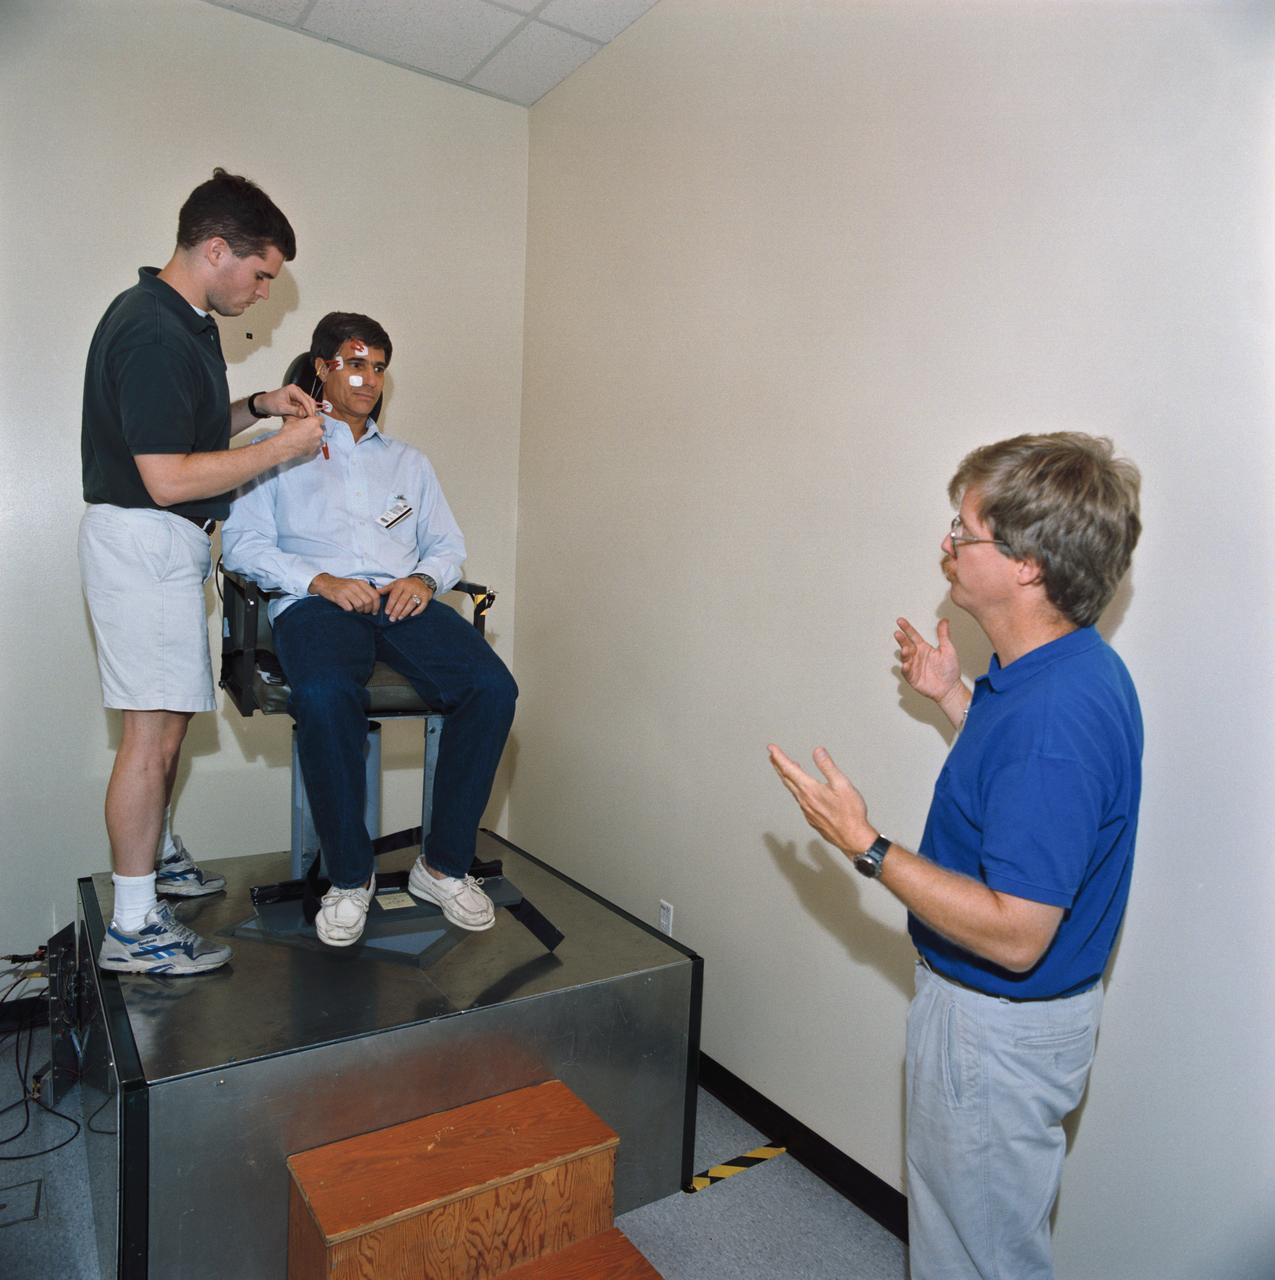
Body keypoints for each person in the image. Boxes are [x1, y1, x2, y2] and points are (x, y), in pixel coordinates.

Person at [769, 433, 1143, 1279]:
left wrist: (864, 846)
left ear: (1026, 564)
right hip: (1007, 1028)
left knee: (975, 1261)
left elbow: (1017, 933)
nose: (947, 545)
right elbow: (1023, 802)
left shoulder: (1055, 719)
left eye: (964, 531)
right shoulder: (1064, 671)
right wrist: (950, 698)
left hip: (995, 1033)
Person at [81, 168, 325, 976]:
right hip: (146, 538)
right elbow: (167, 477)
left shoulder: (182, 323)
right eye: (259, 274)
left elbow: (186, 434)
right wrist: (281, 452)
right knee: (148, 742)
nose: (262, 292)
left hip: (164, 546)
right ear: (216, 249)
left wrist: (258, 409)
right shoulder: (152, 330)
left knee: (170, 726)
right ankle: (133, 925)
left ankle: (156, 861)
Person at [222, 311, 518, 948]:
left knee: (493, 689)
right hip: (315, 604)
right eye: (356, 364)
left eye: (379, 367)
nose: (369, 379)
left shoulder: (408, 463)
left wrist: (424, 580)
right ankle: (350, 878)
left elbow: (446, 545)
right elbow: (241, 548)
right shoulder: (271, 452)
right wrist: (319, 580)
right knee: (328, 696)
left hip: (398, 601)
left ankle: (441, 867)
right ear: (322, 366)